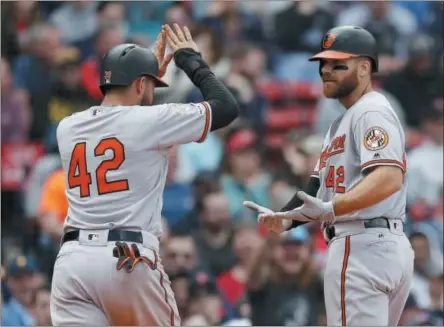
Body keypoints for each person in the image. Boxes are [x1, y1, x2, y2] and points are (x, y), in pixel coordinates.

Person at [50, 23, 239, 326]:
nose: (153, 93)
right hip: (126, 257)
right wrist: (192, 61)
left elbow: (118, 117)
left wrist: (145, 70)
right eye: (151, 85)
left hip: (73, 262)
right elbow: (227, 107)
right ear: (139, 84)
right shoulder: (151, 120)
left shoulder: (68, 127)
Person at [244, 26, 414, 326]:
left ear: (364, 68)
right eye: (323, 63)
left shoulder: (370, 111)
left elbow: (388, 177)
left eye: (338, 64)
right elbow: (315, 191)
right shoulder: (341, 122)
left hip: (360, 244)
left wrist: (334, 209)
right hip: (379, 243)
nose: (327, 70)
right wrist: (283, 218)